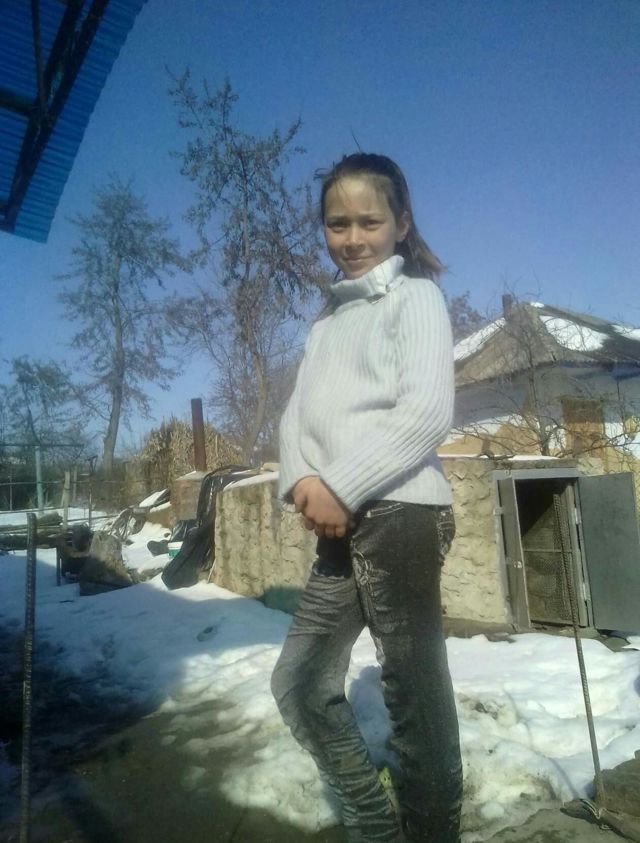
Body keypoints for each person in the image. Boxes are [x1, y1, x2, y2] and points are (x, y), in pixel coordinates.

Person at [271, 153, 462, 843]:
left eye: (369, 222)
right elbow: (293, 415)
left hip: (402, 511)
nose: (352, 238)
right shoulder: (326, 322)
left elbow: (427, 413)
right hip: (339, 521)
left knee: (413, 696)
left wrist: (341, 484)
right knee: (299, 682)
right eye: (337, 223)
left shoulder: (415, 298)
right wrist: (302, 480)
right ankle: (377, 826)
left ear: (401, 224)